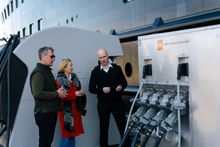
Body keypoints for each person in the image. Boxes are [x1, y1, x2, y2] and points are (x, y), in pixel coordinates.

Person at [89, 48, 130, 147]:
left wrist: (121, 87)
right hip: (103, 104)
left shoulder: (117, 68)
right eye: (100, 57)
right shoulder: (95, 71)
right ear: (98, 58)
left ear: (107, 56)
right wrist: (101, 90)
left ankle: (127, 145)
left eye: (104, 56)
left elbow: (124, 83)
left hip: (117, 103)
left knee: (123, 127)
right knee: (103, 128)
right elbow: (91, 88)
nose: (103, 59)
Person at [30, 46, 67, 147]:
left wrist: (59, 93)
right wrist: (56, 93)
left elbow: (48, 90)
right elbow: (37, 93)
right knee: (45, 142)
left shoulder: (46, 70)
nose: (54, 58)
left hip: (49, 112)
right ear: (43, 56)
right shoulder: (38, 72)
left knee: (47, 141)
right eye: (52, 56)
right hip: (44, 114)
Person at [56, 58, 84, 147]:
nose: (72, 67)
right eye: (70, 65)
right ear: (64, 67)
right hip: (66, 113)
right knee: (66, 136)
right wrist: (75, 94)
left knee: (72, 135)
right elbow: (62, 96)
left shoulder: (73, 77)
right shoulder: (59, 80)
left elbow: (76, 90)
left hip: (75, 110)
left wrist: (80, 93)